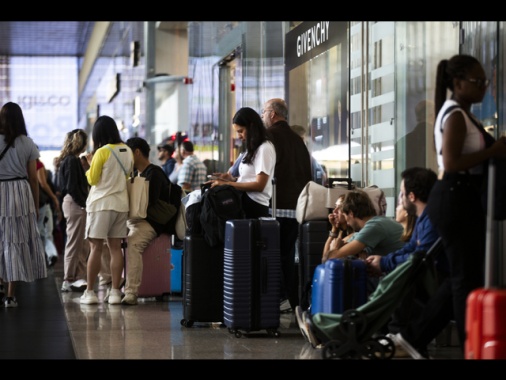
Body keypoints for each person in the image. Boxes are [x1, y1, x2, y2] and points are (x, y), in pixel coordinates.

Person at [390, 54, 506, 359]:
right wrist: (493, 149)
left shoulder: (462, 114)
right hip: (455, 198)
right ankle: (472, 344)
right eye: (477, 82)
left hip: (460, 199)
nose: (483, 88)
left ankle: (413, 337)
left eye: (485, 82)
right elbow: (452, 162)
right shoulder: (454, 114)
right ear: (457, 83)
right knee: (464, 279)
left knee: (462, 276)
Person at [262, 98, 312, 312]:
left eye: (264, 112)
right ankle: (292, 299)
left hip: (277, 206)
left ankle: (280, 296)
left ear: (273, 114)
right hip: (297, 207)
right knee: (288, 254)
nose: (263, 116)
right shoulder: (297, 140)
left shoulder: (270, 137)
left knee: (273, 254)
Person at [80, 115, 134, 305]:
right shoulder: (127, 150)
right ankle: (115, 293)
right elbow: (127, 176)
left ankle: (90, 292)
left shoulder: (102, 152)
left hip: (101, 205)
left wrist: (88, 164)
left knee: (95, 247)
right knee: (115, 249)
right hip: (121, 205)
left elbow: (92, 180)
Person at [0, 102, 47, 307]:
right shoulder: (28, 143)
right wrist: (35, 206)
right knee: (15, 242)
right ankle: (10, 295)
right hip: (20, 193)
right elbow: (34, 179)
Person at [122, 137, 174, 305]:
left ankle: (131, 292)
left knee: (133, 244)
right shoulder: (137, 174)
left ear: (137, 152)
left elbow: (147, 204)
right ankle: (113, 287)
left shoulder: (154, 173)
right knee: (110, 241)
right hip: (137, 220)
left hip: (151, 222)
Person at [209, 107, 276, 218]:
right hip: (246, 202)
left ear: (252, 127)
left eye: (241, 131)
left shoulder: (265, 148)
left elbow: (260, 185)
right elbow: (251, 178)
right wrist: (232, 179)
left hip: (255, 206)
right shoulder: (254, 148)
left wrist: (228, 184)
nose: (239, 136)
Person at [322, 190, 405, 263]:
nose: (347, 222)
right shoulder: (368, 227)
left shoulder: (374, 226)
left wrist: (335, 248)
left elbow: (331, 259)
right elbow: (324, 260)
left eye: (345, 215)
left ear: (351, 213)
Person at [54, 129, 90, 292]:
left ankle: (77, 276)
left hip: (72, 203)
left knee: (80, 242)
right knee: (75, 242)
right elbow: (72, 186)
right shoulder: (72, 161)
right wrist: (83, 203)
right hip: (75, 203)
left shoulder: (66, 160)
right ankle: (68, 278)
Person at [36, 157, 62, 267]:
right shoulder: (38, 165)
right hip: (42, 204)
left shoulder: (20, 165)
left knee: (42, 232)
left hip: (31, 204)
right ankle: (50, 255)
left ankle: (45, 257)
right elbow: (43, 183)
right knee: (46, 232)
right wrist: (54, 198)